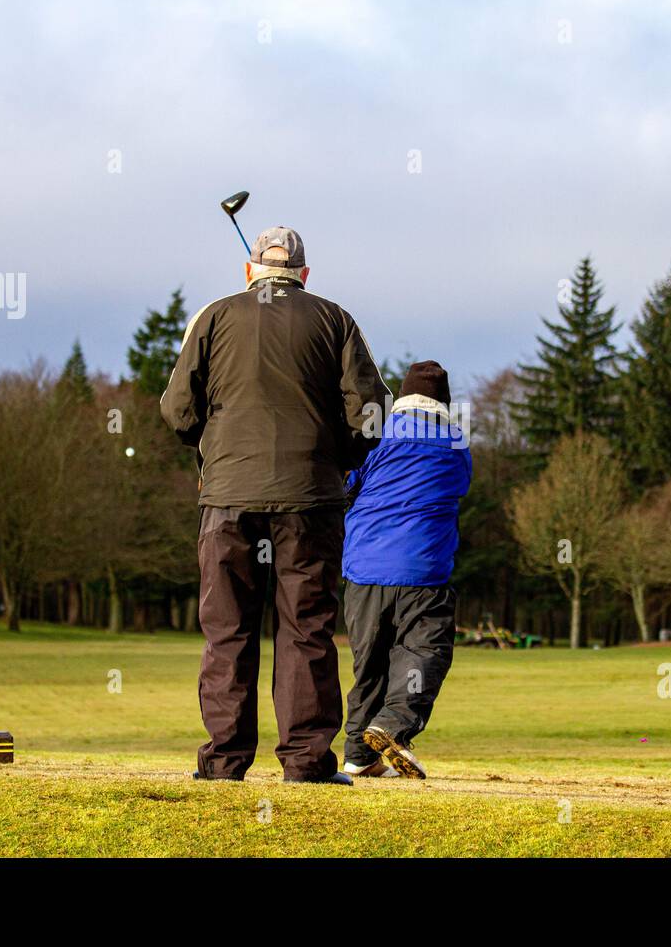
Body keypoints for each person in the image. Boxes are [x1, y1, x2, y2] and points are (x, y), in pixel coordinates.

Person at [160, 226, 387, 785]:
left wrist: (215, 450)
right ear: (304, 275)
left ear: (250, 272)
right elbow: (371, 415)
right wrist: (336, 459)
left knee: (227, 632)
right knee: (306, 630)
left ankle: (223, 762)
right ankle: (307, 764)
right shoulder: (335, 319)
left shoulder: (213, 317)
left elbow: (177, 411)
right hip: (309, 501)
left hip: (228, 500)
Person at [340, 361, 472, 779]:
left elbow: (346, 485)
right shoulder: (455, 443)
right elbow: (459, 487)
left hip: (364, 571)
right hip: (424, 572)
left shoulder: (375, 435)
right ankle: (393, 725)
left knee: (370, 663)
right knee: (423, 652)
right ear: (443, 402)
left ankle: (359, 755)